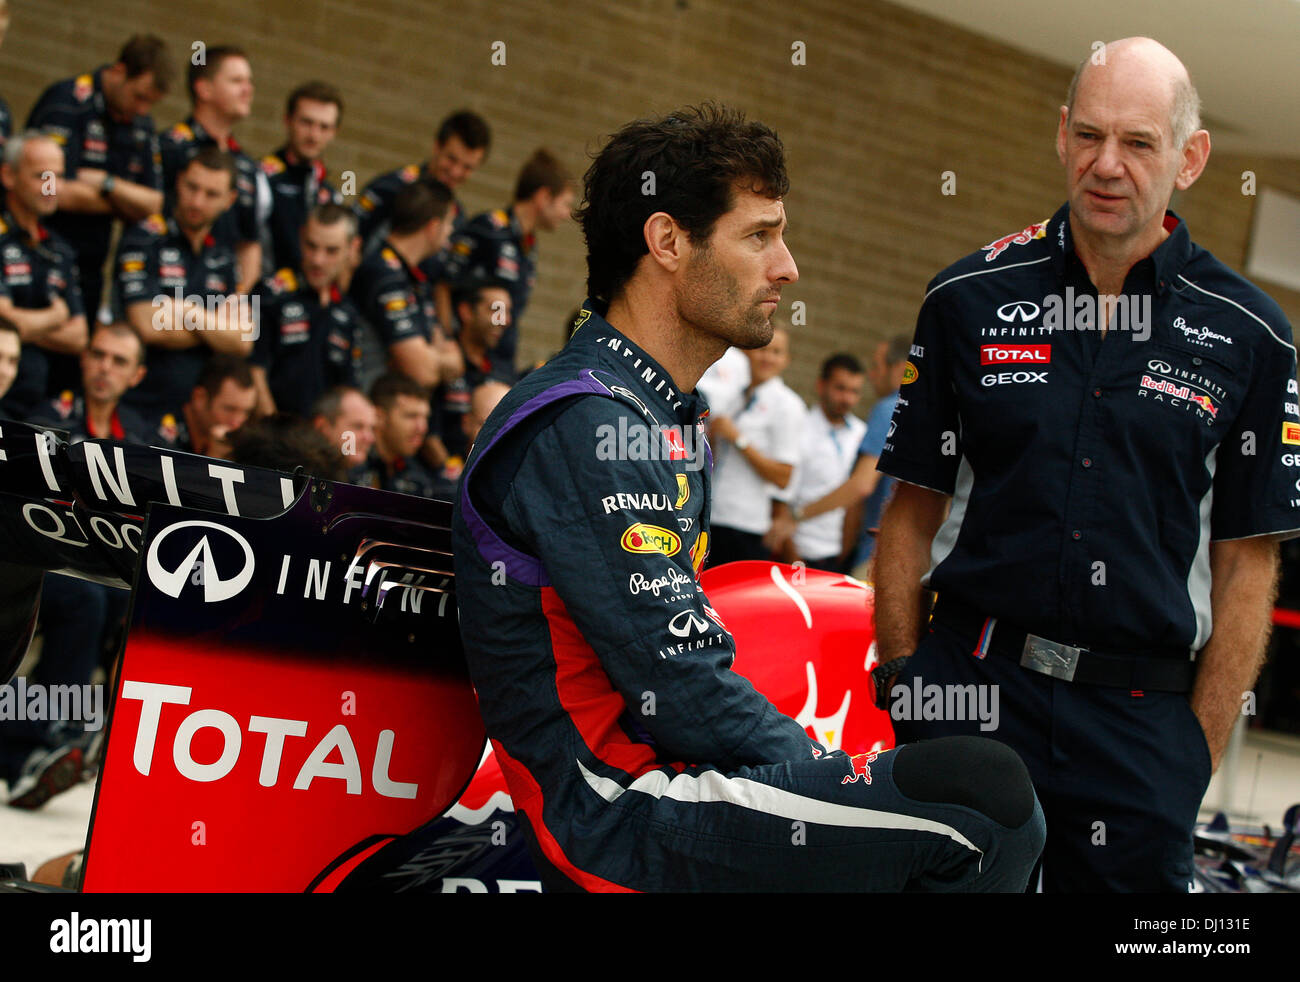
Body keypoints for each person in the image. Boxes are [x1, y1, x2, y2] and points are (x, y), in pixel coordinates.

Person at [449, 103, 1044, 892]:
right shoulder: (589, 420)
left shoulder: (656, 410)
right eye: (759, 235)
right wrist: (834, 774)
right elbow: (684, 689)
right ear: (667, 242)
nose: (787, 267)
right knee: (984, 801)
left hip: (677, 778)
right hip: (620, 810)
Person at [872, 37, 1297, 893]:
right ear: (1062, 136)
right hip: (970, 694)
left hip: (1139, 729)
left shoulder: (1251, 334)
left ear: (1191, 158)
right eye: (1091, 136)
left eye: (1139, 143)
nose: (1109, 165)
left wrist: (1194, 752)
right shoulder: (967, 299)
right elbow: (911, 509)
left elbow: (1248, 560)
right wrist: (907, 682)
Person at [27, 35, 173, 319]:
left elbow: (154, 204)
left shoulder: (141, 124)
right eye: (139, 96)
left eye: (151, 103)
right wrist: (123, 202)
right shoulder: (67, 100)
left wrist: (108, 185)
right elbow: (50, 191)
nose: (142, 109)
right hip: (40, 253)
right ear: (118, 71)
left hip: (91, 267)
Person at [115, 147, 252, 428]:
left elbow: (243, 340)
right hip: (139, 407)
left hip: (195, 418)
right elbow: (147, 325)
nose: (197, 201)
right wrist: (215, 327)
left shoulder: (225, 256)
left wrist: (185, 310)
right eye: (192, 187)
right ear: (179, 181)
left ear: (230, 200)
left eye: (211, 194)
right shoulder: (143, 237)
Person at [766, 335, 908, 576]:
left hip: (873, 553)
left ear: (900, 369)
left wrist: (796, 517)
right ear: (821, 385)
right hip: (900, 554)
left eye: (877, 366)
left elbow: (862, 486)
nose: (873, 374)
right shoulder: (928, 412)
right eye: (841, 388)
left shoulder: (888, 409)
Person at [435, 148, 574, 375]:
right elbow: (445, 284)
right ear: (543, 197)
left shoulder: (529, 244)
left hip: (501, 361)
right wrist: (449, 341)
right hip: (467, 362)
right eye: (565, 204)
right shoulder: (488, 228)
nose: (566, 214)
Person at [159, 45, 267, 293]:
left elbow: (249, 243)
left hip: (219, 304)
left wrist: (238, 298)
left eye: (249, 82)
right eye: (236, 81)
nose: (248, 90)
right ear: (204, 88)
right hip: (163, 294)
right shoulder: (170, 147)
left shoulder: (247, 166)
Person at [0, 133, 88, 419]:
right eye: (41, 176)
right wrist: (54, 316)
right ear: (8, 176)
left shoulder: (59, 248)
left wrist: (24, 323)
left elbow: (78, 336)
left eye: (59, 177)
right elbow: (5, 324)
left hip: (38, 406)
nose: (52, 187)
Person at [705, 325, 805, 567]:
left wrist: (738, 439)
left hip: (744, 525)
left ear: (786, 360)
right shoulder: (736, 396)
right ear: (748, 352)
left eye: (777, 352)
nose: (767, 358)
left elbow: (783, 476)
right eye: (763, 350)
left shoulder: (788, 405)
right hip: (714, 516)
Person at [349, 177, 461, 391]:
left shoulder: (414, 276)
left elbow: (456, 360)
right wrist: (438, 358)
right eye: (449, 224)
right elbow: (423, 372)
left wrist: (434, 357)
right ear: (433, 227)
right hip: (369, 403)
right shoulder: (382, 272)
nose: (450, 232)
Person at [250, 203, 362, 417]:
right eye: (311, 246)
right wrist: (275, 431)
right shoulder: (271, 293)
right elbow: (254, 370)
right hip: (274, 433)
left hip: (321, 440)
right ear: (301, 237)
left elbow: (348, 390)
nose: (318, 260)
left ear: (352, 248)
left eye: (331, 250)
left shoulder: (347, 312)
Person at [354, 109, 491, 257]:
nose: (455, 172)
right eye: (451, 159)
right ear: (437, 147)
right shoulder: (392, 187)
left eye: (467, 167)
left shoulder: (457, 217)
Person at [783, 353, 866, 571]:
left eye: (854, 391)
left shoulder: (862, 434)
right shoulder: (800, 429)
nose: (847, 398)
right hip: (803, 552)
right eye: (840, 388)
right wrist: (794, 559)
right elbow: (783, 500)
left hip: (845, 556)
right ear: (821, 385)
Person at [425, 278, 512, 471]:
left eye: (508, 312)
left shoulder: (504, 371)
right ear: (466, 312)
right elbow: (428, 433)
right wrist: (454, 477)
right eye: (496, 310)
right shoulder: (444, 359)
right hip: (440, 477)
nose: (504, 321)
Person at [261, 81, 346, 274]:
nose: (314, 135)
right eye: (306, 123)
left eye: (324, 127)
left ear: (334, 133)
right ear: (287, 120)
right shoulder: (261, 177)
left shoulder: (330, 195)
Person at [26, 321, 149, 443]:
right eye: (97, 355)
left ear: (137, 376)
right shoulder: (47, 422)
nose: (105, 367)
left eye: (119, 361)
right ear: (84, 358)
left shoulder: (141, 436)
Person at [162, 353, 258, 457]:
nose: (237, 424)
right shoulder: (163, 432)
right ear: (199, 398)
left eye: (247, 412)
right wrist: (216, 456)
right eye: (229, 409)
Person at [363, 371, 440, 497]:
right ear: (379, 417)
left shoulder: (416, 473)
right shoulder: (353, 465)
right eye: (411, 416)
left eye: (426, 418)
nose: (422, 428)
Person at [310, 384, 377, 483]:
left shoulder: (361, 475)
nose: (370, 438)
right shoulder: (301, 478)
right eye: (358, 426)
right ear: (322, 427)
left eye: (371, 428)